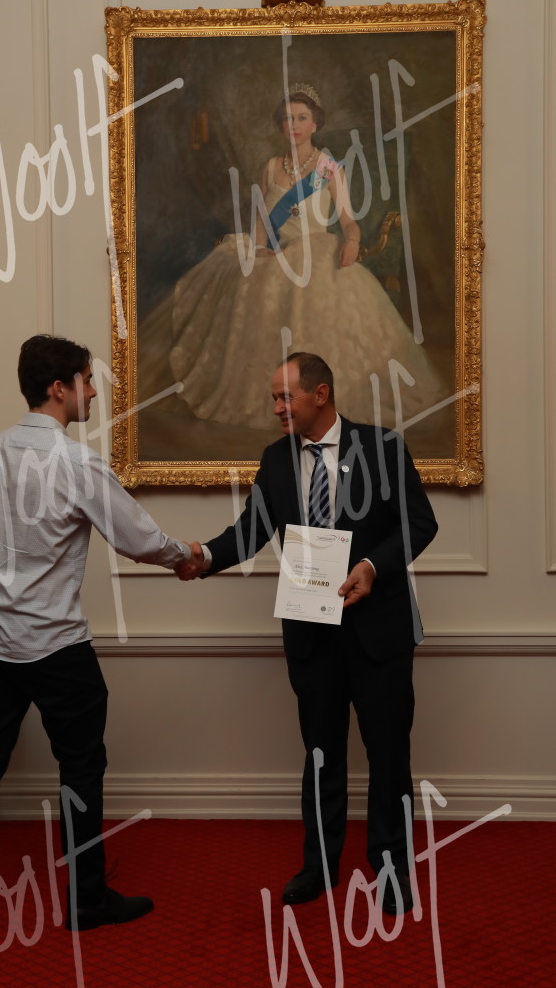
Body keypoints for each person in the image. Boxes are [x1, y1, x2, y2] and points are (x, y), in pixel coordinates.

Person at [0, 334, 198, 944]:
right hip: (56, 646)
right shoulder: (75, 462)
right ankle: (87, 901)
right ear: (59, 388)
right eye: (87, 381)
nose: (93, 393)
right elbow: (139, 539)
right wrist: (186, 556)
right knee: (82, 769)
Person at [180, 352, 437, 914]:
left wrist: (372, 567)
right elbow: (251, 529)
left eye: (285, 397)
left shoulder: (382, 447)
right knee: (321, 755)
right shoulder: (276, 459)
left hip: (379, 634)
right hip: (311, 635)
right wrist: (205, 557)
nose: (276, 408)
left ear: (320, 395)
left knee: (388, 756)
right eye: (274, 398)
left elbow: (420, 523)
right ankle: (318, 866)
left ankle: (392, 871)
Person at [139, 83, 444, 435]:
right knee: (239, 282)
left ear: (315, 124)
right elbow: (261, 220)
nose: (294, 125)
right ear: (280, 125)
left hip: (317, 253)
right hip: (276, 255)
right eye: (287, 118)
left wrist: (353, 240)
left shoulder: (329, 168)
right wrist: (258, 249)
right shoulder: (270, 168)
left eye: (302, 118)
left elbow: (348, 219)